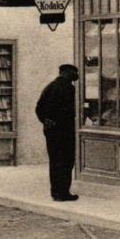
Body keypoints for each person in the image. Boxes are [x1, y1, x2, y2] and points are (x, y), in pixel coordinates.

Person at [36, 64, 80, 202]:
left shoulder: (50, 86)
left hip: (52, 130)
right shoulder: (68, 88)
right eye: (74, 72)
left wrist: (46, 121)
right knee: (66, 161)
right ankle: (63, 192)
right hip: (65, 130)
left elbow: (39, 107)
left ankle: (56, 192)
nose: (76, 75)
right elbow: (71, 110)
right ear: (65, 73)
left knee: (55, 161)